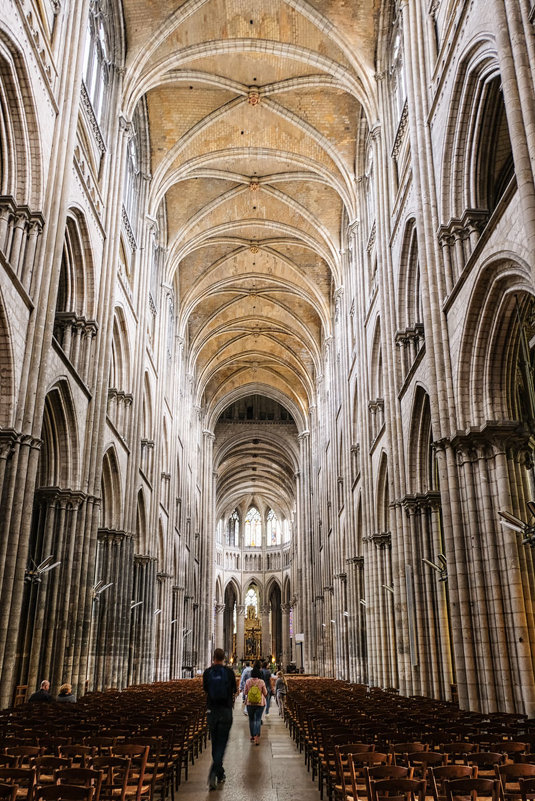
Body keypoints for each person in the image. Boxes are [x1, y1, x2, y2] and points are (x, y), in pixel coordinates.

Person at [203, 648, 236, 791]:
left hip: (212, 712)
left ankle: (219, 772)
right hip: (225, 712)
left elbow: (205, 689)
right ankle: (214, 772)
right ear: (224, 658)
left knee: (215, 742)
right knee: (221, 744)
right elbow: (234, 690)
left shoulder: (207, 672)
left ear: (214, 657)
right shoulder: (229, 673)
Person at [244, 664, 267, 745]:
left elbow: (245, 692)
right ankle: (257, 737)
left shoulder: (248, 681)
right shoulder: (261, 682)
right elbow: (265, 693)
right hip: (259, 703)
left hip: (250, 703)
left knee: (251, 720)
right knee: (258, 719)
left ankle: (252, 736)